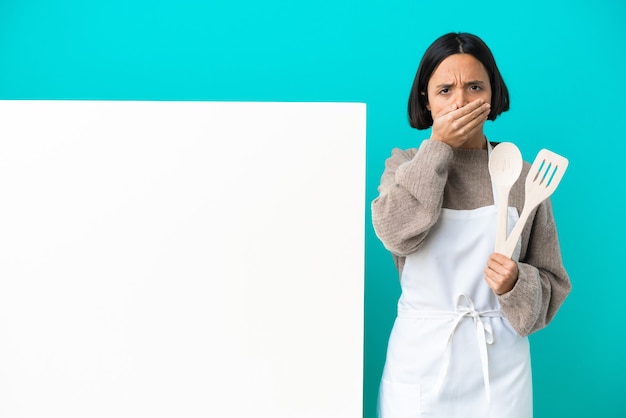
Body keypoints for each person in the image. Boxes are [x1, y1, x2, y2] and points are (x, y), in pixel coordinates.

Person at [371, 32, 571, 418]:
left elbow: (552, 284)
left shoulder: (526, 180)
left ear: (492, 96)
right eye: (445, 89)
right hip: (422, 361)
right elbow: (395, 232)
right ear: (425, 100)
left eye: (474, 87)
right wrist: (437, 148)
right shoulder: (403, 166)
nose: (460, 101)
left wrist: (516, 283)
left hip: (499, 368)